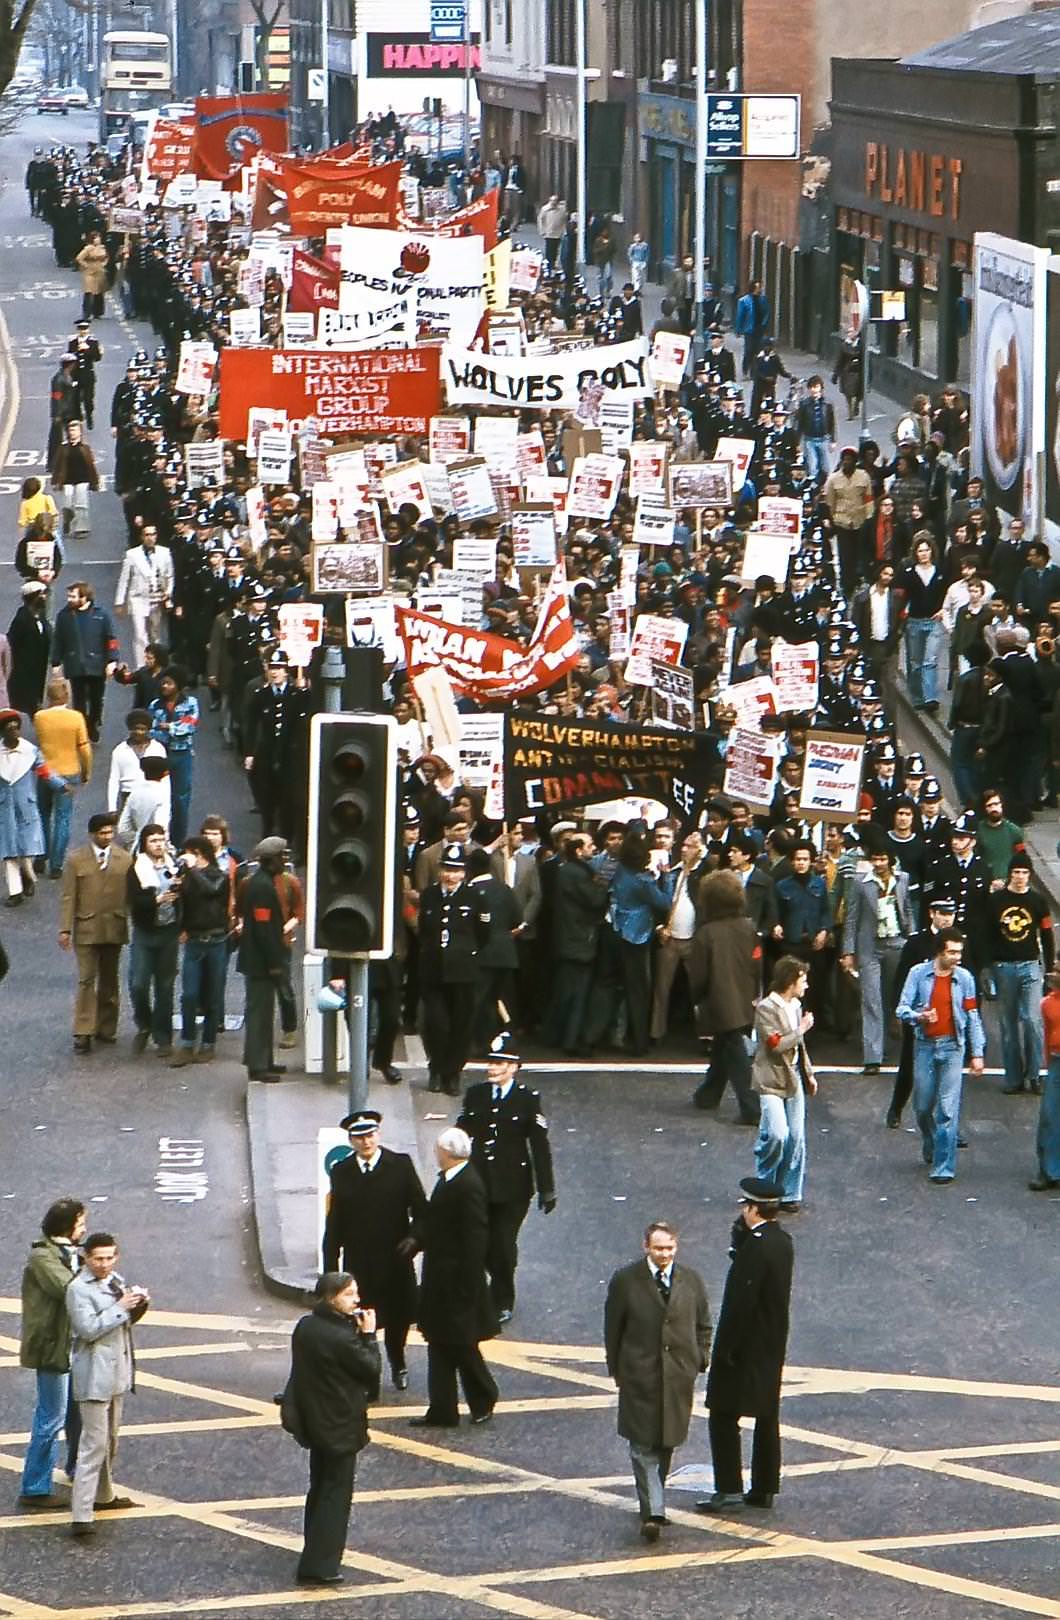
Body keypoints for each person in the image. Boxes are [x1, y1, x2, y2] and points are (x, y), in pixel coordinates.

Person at [604, 1220, 712, 1543]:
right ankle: (653, 1511)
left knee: (666, 1442)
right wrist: (618, 1369)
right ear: (646, 1247)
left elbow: (704, 1324)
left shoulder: (691, 1280)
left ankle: (653, 1498)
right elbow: (614, 1329)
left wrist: (700, 1359)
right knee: (642, 1444)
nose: (664, 1254)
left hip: (678, 1376)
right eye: (658, 1248)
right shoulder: (625, 1281)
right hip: (640, 1375)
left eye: (669, 1248)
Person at [697, 1177, 793, 1514]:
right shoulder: (782, 1241)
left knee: (722, 1415)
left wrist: (725, 1350)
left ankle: (729, 1488)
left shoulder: (755, 1247)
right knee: (767, 1415)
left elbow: (740, 1302)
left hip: (745, 1346)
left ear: (753, 1208)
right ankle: (765, 1486)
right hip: (771, 1342)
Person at [285, 1271, 381, 1588]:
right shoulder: (342, 1338)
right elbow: (370, 1370)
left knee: (320, 1487)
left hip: (314, 1419)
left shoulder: (307, 1326)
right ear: (331, 1298)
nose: (357, 1300)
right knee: (335, 1495)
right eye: (349, 1294)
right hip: (339, 1422)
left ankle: (314, 1549)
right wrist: (368, 1335)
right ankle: (320, 1564)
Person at [321, 1110, 428, 1391]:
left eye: (370, 1135)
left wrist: (415, 1239)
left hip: (395, 1260)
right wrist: (330, 1271)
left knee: (398, 1317)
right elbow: (335, 1223)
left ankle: (398, 1363)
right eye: (359, 1137)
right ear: (351, 1141)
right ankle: (369, 1375)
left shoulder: (400, 1165)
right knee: (361, 1321)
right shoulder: (342, 1172)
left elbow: (422, 1211)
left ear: (378, 1135)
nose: (366, 1142)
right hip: (360, 1263)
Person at [457, 1031, 556, 1323]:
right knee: (478, 1241)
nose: (492, 1068)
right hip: (479, 1182)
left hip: (513, 1187)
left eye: (499, 1063)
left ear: (513, 1067)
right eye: (490, 1062)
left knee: (502, 1243)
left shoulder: (527, 1099)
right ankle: (481, 1291)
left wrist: (547, 1188)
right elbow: (464, 1130)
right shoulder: (476, 1094)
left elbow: (539, 1146)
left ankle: (502, 1298)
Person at [409, 1128, 499, 1429]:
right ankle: (443, 1410)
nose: (435, 1153)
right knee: (439, 1343)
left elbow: (475, 1240)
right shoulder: (450, 1179)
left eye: (437, 1149)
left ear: (447, 1153)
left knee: (459, 1344)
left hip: (457, 1284)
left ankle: (484, 1395)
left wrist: (467, 1288)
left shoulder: (468, 1186)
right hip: (441, 1281)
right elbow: (437, 1222)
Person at [66, 1231, 149, 1537]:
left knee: (110, 1440)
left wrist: (138, 1305)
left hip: (116, 1373)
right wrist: (121, 1307)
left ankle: (104, 1496)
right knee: (93, 1444)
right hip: (93, 1375)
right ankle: (81, 1514)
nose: (104, 1263)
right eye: (98, 1258)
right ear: (86, 1258)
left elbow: (123, 1324)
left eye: (109, 1257)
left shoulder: (115, 1280)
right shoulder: (77, 1289)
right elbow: (88, 1329)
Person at [897, 929, 986, 1184]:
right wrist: (918, 1016)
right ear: (940, 952)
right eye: (952, 952)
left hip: (953, 1048)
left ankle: (943, 1166)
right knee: (923, 1107)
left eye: (960, 952)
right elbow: (901, 1007)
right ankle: (932, 1143)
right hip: (925, 1046)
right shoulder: (918, 974)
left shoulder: (965, 978)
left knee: (947, 1110)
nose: (957, 957)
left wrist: (977, 1053)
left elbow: (972, 1016)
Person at [19, 1197, 86, 1509]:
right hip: (53, 1347)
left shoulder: (69, 1254)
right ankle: (34, 1486)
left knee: (78, 1413)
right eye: (80, 1223)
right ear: (66, 1227)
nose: (84, 1228)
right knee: (51, 1417)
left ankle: (76, 1469)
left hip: (73, 1344)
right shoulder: (43, 1257)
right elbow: (69, 1289)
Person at [688, 870, 761, 1124]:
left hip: (718, 998)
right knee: (725, 1045)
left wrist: (697, 998)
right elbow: (757, 962)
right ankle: (708, 1094)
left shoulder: (706, 933)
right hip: (744, 995)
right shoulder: (748, 927)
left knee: (734, 1051)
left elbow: (697, 973)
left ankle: (752, 1107)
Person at [418, 842, 490, 1095]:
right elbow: (424, 931)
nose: (451, 875)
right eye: (447, 869)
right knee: (437, 1024)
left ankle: (453, 1072)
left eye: (456, 870)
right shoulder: (429, 895)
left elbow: (483, 934)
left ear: (464, 873)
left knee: (461, 1024)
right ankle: (436, 1068)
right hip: (433, 969)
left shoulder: (475, 897)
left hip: (463, 971)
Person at [59, 811, 133, 1054]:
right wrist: (65, 929)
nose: (107, 836)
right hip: (87, 927)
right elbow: (69, 896)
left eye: (110, 832)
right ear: (92, 834)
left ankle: (106, 1026)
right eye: (102, 833)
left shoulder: (124, 859)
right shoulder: (76, 860)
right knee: (86, 979)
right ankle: (83, 1030)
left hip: (114, 926)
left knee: (110, 980)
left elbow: (132, 895)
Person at [751, 957, 818, 1214]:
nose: (807, 985)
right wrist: (801, 1029)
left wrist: (809, 1073)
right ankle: (764, 1185)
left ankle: (790, 1192)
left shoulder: (796, 1005)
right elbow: (776, 1045)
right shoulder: (766, 1008)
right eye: (803, 980)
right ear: (791, 981)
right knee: (778, 1133)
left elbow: (799, 1048)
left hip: (794, 1078)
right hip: (771, 1078)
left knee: (797, 1137)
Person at [886, 894, 958, 1129]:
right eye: (942, 914)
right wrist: (899, 1013)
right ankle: (896, 1109)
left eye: (950, 914)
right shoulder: (916, 943)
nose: (947, 919)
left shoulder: (958, 943)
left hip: (948, 1018)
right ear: (931, 914)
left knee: (948, 1076)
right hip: (918, 1017)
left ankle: (948, 1125)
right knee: (908, 1065)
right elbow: (900, 980)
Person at [840, 848, 914, 1074]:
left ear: (891, 861)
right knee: (871, 998)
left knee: (892, 994)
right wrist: (848, 951)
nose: (879, 863)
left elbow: (908, 909)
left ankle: (890, 1040)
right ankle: (873, 1058)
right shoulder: (860, 882)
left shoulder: (902, 879)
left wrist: (912, 937)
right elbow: (851, 918)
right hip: (869, 946)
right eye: (875, 859)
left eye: (883, 859)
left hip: (896, 943)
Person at [987, 854, 1053, 1096]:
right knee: (1008, 1025)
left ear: (1029, 876)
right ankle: (1014, 1078)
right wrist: (988, 965)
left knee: (1033, 1021)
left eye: (1024, 873)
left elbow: (1046, 935)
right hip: (1003, 966)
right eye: (1016, 872)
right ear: (1010, 874)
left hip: (1030, 965)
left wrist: (1048, 969)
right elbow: (988, 933)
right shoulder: (995, 901)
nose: (1019, 877)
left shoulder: (1038, 901)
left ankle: (1035, 1075)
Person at [0, 707, 67, 904]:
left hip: (25, 807)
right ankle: (15, 892)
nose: (14, 731)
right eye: (9, 728)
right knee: (8, 852)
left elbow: (44, 771)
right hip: (4, 808)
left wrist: (60, 784)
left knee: (26, 850)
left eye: (16, 727)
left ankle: (28, 876)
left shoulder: (30, 750)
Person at [126, 824, 181, 1057]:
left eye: (161, 840)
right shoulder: (137, 868)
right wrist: (157, 900)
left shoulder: (175, 865)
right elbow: (134, 901)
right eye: (153, 841)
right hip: (146, 932)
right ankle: (144, 1023)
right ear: (145, 844)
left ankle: (163, 1036)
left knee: (165, 986)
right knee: (138, 983)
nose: (158, 845)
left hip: (169, 932)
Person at [237, 835, 289, 1082]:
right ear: (270, 861)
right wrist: (274, 963)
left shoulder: (263, 882)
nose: (284, 862)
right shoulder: (262, 887)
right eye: (281, 858)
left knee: (266, 1013)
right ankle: (258, 1066)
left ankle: (264, 1059)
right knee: (259, 1014)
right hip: (260, 963)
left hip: (260, 961)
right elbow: (263, 929)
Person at [34, 676, 92, 880]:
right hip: (69, 771)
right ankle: (57, 865)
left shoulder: (40, 717)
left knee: (42, 813)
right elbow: (84, 749)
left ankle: (41, 855)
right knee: (63, 817)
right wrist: (86, 772)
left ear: (49, 696)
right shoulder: (76, 717)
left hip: (46, 771)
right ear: (67, 694)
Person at [49, 580, 118, 742]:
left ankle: (93, 722)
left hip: (97, 665)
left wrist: (112, 660)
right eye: (69, 596)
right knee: (78, 700)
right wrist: (56, 662)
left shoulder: (101, 615)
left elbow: (111, 639)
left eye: (72, 596)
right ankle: (82, 727)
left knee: (96, 699)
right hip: (75, 665)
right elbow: (58, 640)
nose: (69, 599)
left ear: (84, 597)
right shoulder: (64, 616)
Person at [149, 666, 198, 846]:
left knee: (180, 800)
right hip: (161, 755)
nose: (165, 687)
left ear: (178, 685)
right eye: (163, 683)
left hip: (182, 755)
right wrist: (173, 728)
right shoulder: (155, 705)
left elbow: (190, 725)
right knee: (159, 799)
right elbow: (153, 730)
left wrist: (168, 727)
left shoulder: (191, 703)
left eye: (169, 683)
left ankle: (178, 842)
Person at [114, 523, 174, 669]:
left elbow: (169, 576)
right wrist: (119, 602)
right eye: (147, 535)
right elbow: (124, 579)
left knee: (155, 633)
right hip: (138, 599)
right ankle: (141, 666)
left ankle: (157, 663)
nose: (150, 538)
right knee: (140, 634)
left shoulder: (164, 553)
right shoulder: (132, 555)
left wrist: (168, 594)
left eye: (153, 534)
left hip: (156, 598)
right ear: (142, 537)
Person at [1031, 969, 1060, 1190]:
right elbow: (1049, 1035)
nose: (1052, 974)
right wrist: (1049, 1063)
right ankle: (1049, 1170)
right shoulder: (1047, 1004)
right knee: (1050, 1116)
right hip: (1057, 1063)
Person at [8, 581, 52, 717]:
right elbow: (11, 644)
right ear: (32, 597)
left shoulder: (41, 616)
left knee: (35, 705)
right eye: (42, 594)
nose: (45, 597)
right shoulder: (21, 620)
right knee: (30, 706)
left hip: (39, 672)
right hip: (24, 674)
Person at [50, 421, 100, 539]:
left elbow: (91, 465)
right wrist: (55, 481)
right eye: (71, 430)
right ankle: (68, 519)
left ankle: (81, 528)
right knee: (67, 504)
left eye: (75, 430)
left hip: (82, 479)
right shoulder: (63, 447)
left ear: (80, 432)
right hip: (67, 480)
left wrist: (95, 481)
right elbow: (57, 465)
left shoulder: (85, 448)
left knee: (81, 504)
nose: (73, 433)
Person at [116, 754, 170, 850]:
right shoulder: (162, 796)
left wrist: (137, 840)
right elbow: (161, 826)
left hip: (136, 849)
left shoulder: (134, 793)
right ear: (166, 773)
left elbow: (123, 828)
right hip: (157, 850)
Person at [795, 376, 836, 485]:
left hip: (824, 438)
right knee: (812, 467)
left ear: (821, 388)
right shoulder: (804, 404)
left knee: (825, 466)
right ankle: (813, 487)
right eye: (812, 387)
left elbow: (832, 422)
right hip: (809, 439)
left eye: (816, 387)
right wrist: (798, 442)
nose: (814, 390)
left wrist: (833, 440)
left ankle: (824, 487)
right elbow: (800, 424)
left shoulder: (828, 403)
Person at [733, 280, 771, 376]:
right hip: (749, 329)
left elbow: (767, 312)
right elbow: (740, 316)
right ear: (753, 288)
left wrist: (764, 324)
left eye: (760, 287)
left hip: (759, 329)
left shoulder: (763, 299)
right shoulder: (744, 300)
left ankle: (755, 372)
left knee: (758, 350)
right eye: (758, 287)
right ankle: (745, 369)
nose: (760, 289)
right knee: (749, 350)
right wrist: (738, 329)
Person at [74, 230, 108, 321]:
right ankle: (86, 313)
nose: (98, 240)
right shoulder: (88, 248)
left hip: (100, 272)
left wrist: (104, 264)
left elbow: (106, 257)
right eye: (96, 238)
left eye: (99, 238)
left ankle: (98, 312)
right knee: (89, 292)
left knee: (99, 292)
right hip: (89, 273)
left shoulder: (102, 248)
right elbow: (79, 258)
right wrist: (86, 265)